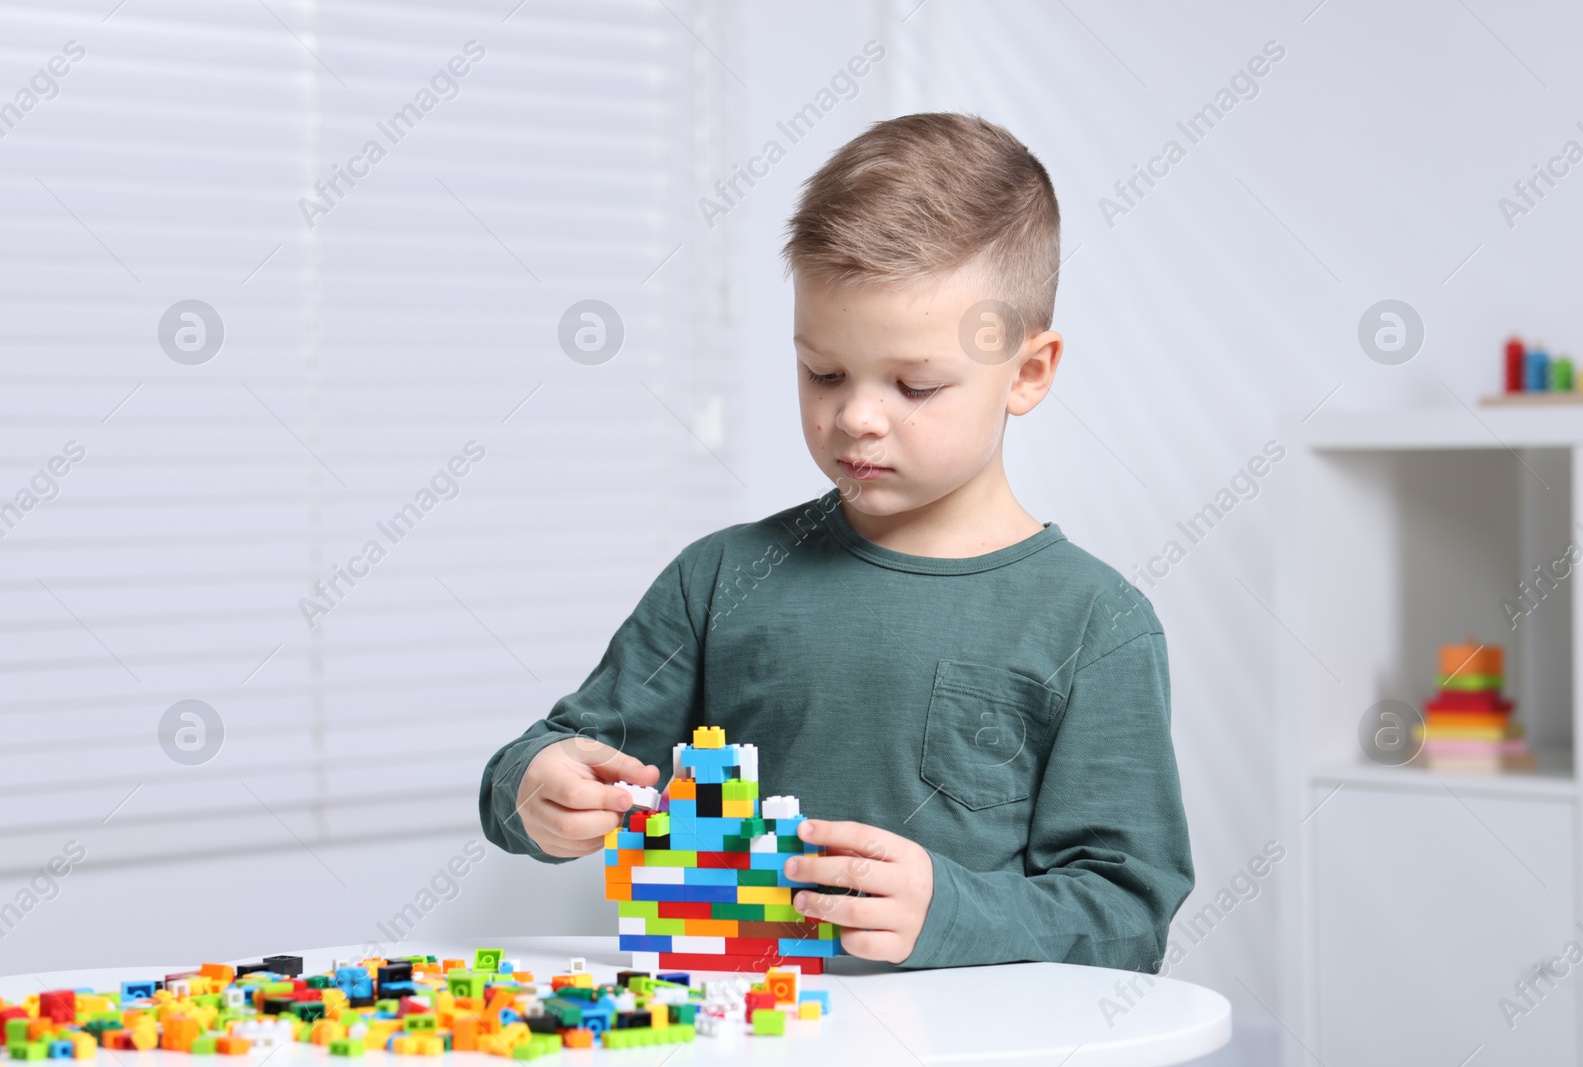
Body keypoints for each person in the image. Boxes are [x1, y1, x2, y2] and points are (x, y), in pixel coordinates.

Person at [480, 112, 1194, 971]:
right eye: (823, 372)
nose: (855, 414)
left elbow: (1127, 916)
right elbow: (557, 753)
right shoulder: (719, 579)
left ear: (1029, 373)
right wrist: (534, 790)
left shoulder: (1095, 624)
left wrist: (950, 910)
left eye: (915, 383)